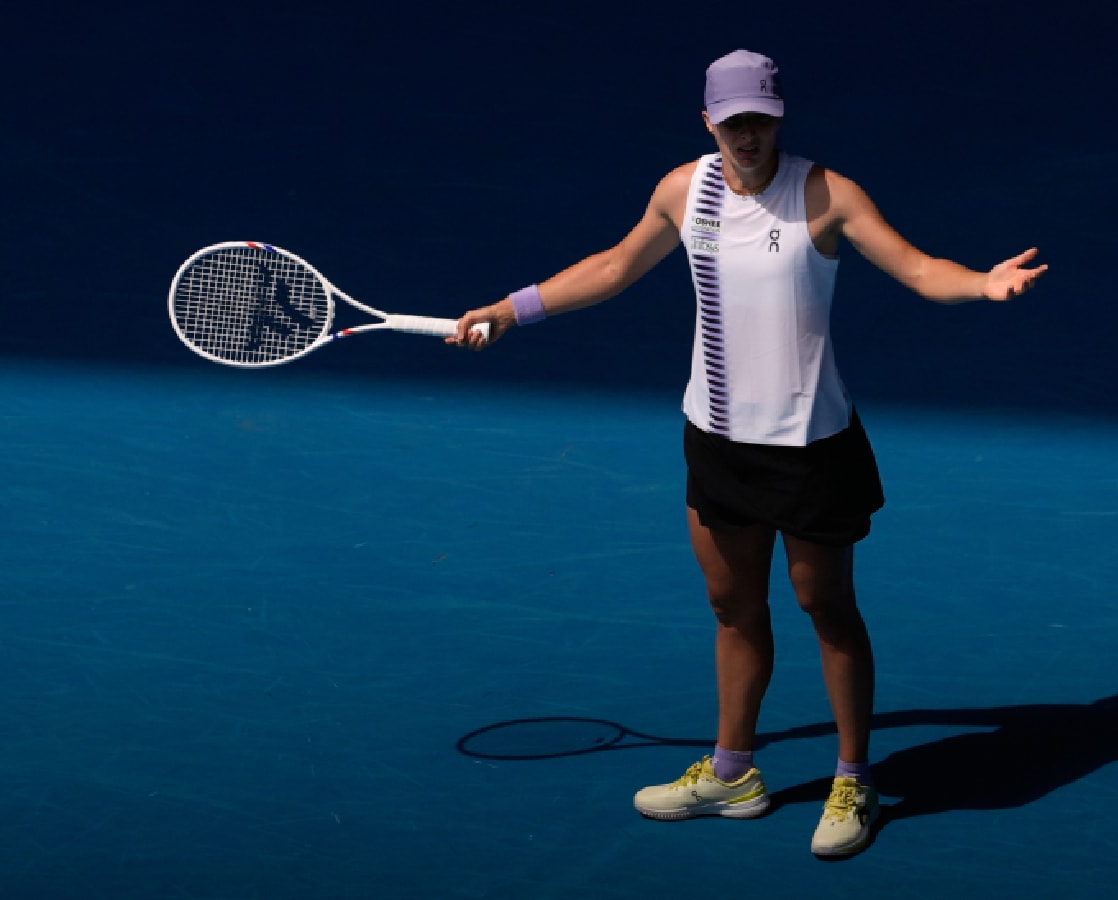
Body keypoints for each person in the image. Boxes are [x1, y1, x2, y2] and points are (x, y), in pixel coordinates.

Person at [448, 49, 1046, 858]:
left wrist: (981, 283)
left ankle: (854, 779)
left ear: (779, 116)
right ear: (709, 122)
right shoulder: (680, 190)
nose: (749, 135)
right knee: (733, 607)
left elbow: (915, 267)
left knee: (826, 609)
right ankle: (734, 772)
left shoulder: (825, 195)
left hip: (810, 447)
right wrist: (512, 310)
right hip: (718, 440)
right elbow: (615, 266)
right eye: (733, 123)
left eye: (761, 119)